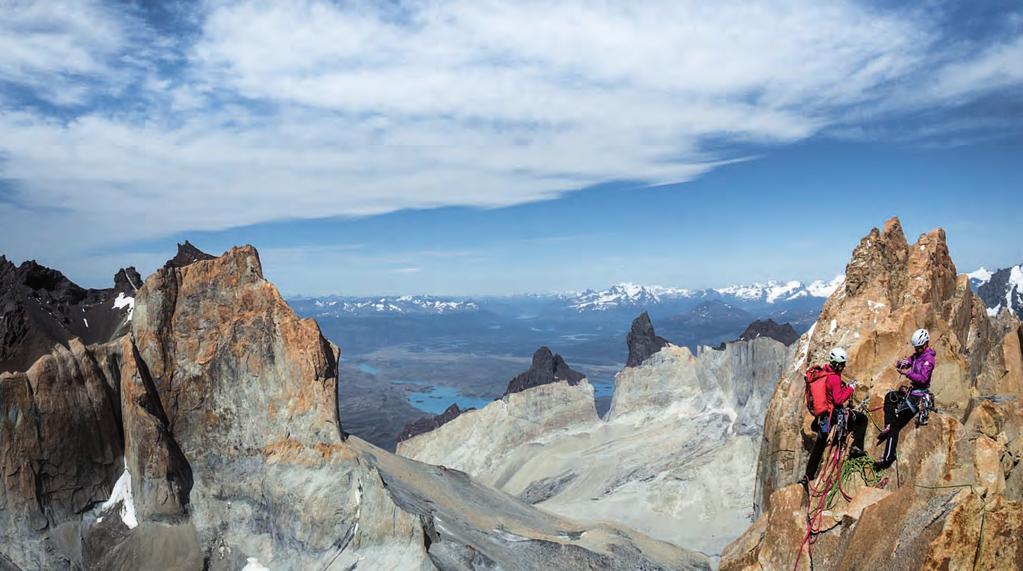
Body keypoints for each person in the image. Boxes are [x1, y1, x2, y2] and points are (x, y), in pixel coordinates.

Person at [799, 347, 868, 488]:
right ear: (837, 364)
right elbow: (838, 400)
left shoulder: (824, 372)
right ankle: (857, 449)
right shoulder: (835, 378)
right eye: (842, 365)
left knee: (819, 445)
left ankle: (808, 476)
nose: (843, 367)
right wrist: (850, 389)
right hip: (834, 415)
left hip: (824, 416)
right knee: (862, 419)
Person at [875, 328, 936, 470]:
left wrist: (908, 374)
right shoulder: (918, 355)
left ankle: (888, 456)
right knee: (890, 397)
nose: (917, 350)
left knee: (896, 424)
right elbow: (910, 360)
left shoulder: (928, 360)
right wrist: (901, 363)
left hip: (918, 397)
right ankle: (888, 425)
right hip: (912, 393)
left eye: (919, 347)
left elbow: (923, 378)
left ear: (925, 344)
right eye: (916, 348)